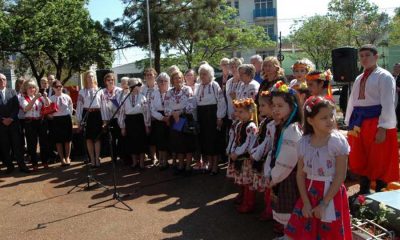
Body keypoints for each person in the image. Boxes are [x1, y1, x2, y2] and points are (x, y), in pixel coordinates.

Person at [285, 96, 352, 240]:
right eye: (323, 118)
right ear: (310, 120)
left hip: (331, 194)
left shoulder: (337, 142)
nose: (330, 120)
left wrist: (324, 203)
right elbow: (300, 174)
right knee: (305, 228)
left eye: (331, 116)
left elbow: (340, 176)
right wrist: (306, 202)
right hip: (309, 193)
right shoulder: (304, 142)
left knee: (329, 232)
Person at [345, 44, 399, 194]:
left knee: (379, 157)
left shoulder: (385, 76)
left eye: (367, 55)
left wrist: (383, 127)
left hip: (377, 122)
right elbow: (352, 101)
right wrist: (349, 122)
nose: (364, 59)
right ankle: (364, 189)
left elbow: (389, 102)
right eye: (361, 56)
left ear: (376, 57)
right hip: (359, 122)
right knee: (360, 155)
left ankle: (381, 191)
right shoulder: (358, 78)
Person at [264, 81, 303, 237]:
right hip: (280, 175)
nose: (275, 109)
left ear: (292, 107)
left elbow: (287, 160)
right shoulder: (280, 126)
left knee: (291, 213)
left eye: (280, 106)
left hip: (288, 178)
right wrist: (270, 173)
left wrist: (274, 177)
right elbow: (273, 151)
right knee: (288, 214)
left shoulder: (293, 130)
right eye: (273, 105)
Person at [195, 64, 226, 175]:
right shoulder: (198, 86)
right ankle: (209, 165)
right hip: (202, 116)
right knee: (205, 141)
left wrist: (219, 117)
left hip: (212, 115)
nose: (202, 76)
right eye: (201, 74)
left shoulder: (214, 85)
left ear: (210, 75)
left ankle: (215, 166)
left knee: (214, 141)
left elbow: (221, 102)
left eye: (205, 74)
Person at [229, 98, 258, 213]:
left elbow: (248, 144)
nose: (238, 114)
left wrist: (237, 152)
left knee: (248, 183)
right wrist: (231, 149)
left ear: (250, 112)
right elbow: (235, 139)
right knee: (241, 180)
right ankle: (243, 199)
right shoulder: (239, 124)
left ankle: (248, 204)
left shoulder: (251, 126)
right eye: (237, 111)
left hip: (245, 158)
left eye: (241, 112)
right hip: (239, 157)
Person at [164, 70, 195, 175]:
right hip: (175, 119)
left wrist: (180, 112)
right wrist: (173, 113)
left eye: (179, 78)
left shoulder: (187, 89)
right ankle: (180, 165)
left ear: (183, 79)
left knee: (188, 142)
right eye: (175, 78)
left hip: (185, 118)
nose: (177, 80)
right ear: (172, 80)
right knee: (178, 143)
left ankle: (188, 166)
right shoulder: (169, 92)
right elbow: (166, 106)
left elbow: (191, 104)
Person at [250, 90, 274, 220]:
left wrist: (255, 153)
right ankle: (267, 208)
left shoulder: (272, 124)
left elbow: (267, 143)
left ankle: (270, 210)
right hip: (262, 157)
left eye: (263, 105)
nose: (260, 108)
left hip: (266, 159)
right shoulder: (266, 121)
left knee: (269, 187)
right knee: (266, 186)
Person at [0, 73, 30, 173]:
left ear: (6, 81)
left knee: (17, 146)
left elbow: (16, 107)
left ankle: (22, 166)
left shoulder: (12, 92)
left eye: (3, 79)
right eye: (0, 80)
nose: (2, 81)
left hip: (13, 124)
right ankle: (10, 166)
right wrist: (2, 120)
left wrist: (11, 119)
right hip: (2, 125)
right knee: (5, 147)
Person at [119, 78, 150, 170]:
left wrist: (147, 125)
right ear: (132, 87)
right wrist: (122, 127)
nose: (139, 87)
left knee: (141, 142)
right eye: (138, 86)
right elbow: (121, 113)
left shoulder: (142, 97)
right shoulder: (124, 98)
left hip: (139, 121)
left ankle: (141, 163)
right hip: (129, 121)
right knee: (131, 142)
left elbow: (146, 112)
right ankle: (134, 162)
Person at [19, 79, 51, 170]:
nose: (32, 89)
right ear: (26, 89)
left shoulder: (39, 97)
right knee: (32, 144)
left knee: (43, 142)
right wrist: (35, 98)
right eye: (29, 88)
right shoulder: (23, 98)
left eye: (33, 87)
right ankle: (34, 163)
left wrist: (45, 97)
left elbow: (48, 105)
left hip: (41, 121)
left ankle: (45, 161)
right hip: (30, 122)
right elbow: (26, 108)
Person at [76, 70, 103, 167]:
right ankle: (92, 159)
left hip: (97, 115)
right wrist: (79, 120)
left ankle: (97, 158)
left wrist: (104, 119)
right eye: (88, 77)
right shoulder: (82, 92)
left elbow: (103, 105)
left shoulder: (100, 90)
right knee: (89, 138)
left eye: (92, 76)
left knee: (97, 138)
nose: (90, 78)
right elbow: (79, 106)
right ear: (85, 79)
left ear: (94, 78)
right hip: (87, 114)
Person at [49, 80, 73, 166]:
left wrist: (69, 116)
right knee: (58, 140)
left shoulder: (67, 96)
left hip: (66, 119)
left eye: (60, 86)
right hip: (56, 120)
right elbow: (48, 110)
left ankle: (67, 157)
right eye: (56, 87)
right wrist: (51, 116)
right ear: (53, 88)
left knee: (68, 139)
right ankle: (61, 158)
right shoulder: (51, 99)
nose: (59, 88)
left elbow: (71, 107)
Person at [150, 73, 171, 170]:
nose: (163, 83)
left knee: (169, 140)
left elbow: (175, 105)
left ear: (168, 82)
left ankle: (167, 161)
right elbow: (152, 109)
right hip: (159, 119)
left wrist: (168, 117)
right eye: (160, 81)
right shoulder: (154, 93)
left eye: (165, 81)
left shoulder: (171, 92)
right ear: (157, 83)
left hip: (170, 118)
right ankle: (161, 160)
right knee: (160, 141)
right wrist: (162, 118)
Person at [100, 73, 122, 161]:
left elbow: (120, 106)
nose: (111, 82)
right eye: (108, 80)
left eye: (112, 80)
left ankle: (122, 156)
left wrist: (112, 100)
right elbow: (102, 107)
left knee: (120, 138)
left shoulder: (119, 90)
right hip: (108, 119)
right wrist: (104, 121)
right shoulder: (102, 92)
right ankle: (114, 158)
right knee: (111, 139)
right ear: (105, 82)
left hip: (118, 118)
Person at [142, 68, 158, 164]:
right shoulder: (143, 89)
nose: (149, 76)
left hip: (158, 116)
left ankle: (161, 156)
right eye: (147, 75)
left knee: (158, 137)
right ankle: (153, 156)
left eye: (150, 74)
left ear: (155, 75)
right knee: (150, 137)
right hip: (146, 116)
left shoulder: (158, 86)